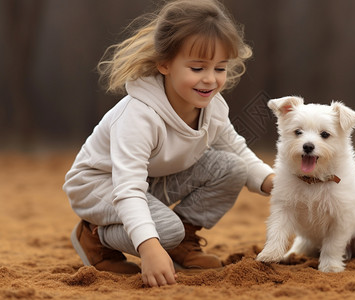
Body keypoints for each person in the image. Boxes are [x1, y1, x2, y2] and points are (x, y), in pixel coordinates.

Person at [63, 0, 274, 288]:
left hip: (149, 181)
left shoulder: (214, 107)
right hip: (99, 184)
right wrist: (149, 248)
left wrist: (275, 182)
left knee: (232, 167)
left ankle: (181, 244)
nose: (211, 79)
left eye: (220, 68)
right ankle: (94, 235)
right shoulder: (139, 115)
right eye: (198, 68)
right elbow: (127, 188)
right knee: (164, 231)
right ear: (165, 63)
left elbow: (237, 151)